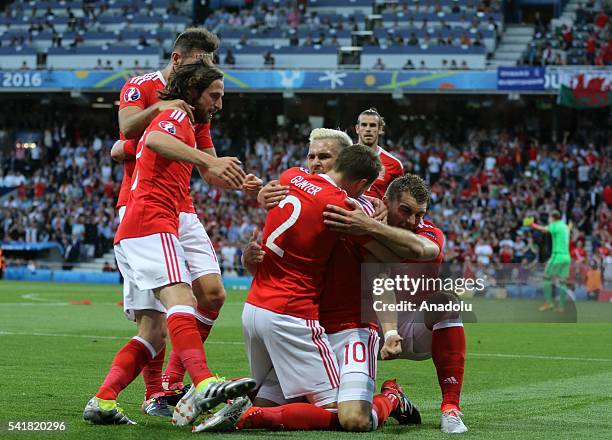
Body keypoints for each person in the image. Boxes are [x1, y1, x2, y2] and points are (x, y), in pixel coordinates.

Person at [198, 133, 419, 434]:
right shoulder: (305, 190)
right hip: (305, 325)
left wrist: (390, 330)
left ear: (340, 161)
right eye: (311, 156)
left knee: (353, 419)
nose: (316, 163)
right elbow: (270, 261)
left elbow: (383, 271)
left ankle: (392, 397)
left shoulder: (355, 209)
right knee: (275, 404)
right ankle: (226, 397)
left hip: (349, 329)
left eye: (324, 158)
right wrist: (250, 255)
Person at [83, 63, 256, 426]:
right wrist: (207, 158)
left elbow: (140, 147)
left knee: (154, 331)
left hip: (147, 223)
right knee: (183, 300)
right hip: (151, 220)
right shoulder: (177, 113)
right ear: (194, 88)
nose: (220, 104)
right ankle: (203, 382)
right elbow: (157, 139)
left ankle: (103, 400)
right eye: (215, 95)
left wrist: (240, 181)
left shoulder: (186, 119)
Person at [321, 174, 468, 434]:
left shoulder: (428, 233)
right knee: (334, 411)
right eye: (405, 211)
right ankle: (393, 397)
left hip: (413, 329)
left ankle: (451, 408)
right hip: (360, 327)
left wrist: (369, 226)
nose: (412, 221)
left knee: (446, 301)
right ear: (386, 202)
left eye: (419, 214)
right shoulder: (363, 216)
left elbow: (421, 251)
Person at [354, 108, 404, 199]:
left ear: (380, 129)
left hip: (376, 213)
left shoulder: (394, 164)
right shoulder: (342, 157)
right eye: (364, 125)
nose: (368, 129)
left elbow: (396, 200)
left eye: (372, 125)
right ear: (357, 128)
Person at [531, 211, 571, 312]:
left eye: (550, 218)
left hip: (557, 255)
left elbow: (543, 230)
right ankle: (561, 307)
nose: (549, 220)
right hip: (567, 256)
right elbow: (569, 228)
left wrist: (532, 224)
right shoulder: (565, 227)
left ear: (553, 218)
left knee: (546, 277)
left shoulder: (556, 225)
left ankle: (549, 303)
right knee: (562, 281)